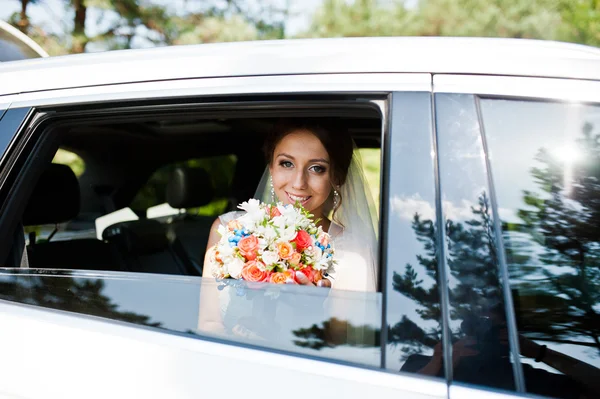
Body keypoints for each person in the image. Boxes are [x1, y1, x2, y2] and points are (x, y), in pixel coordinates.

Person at [197, 119, 379, 341]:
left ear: (337, 177)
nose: (299, 183)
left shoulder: (352, 253)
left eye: (317, 168)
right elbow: (208, 324)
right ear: (271, 167)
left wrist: (309, 311)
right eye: (287, 164)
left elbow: (342, 350)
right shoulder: (227, 230)